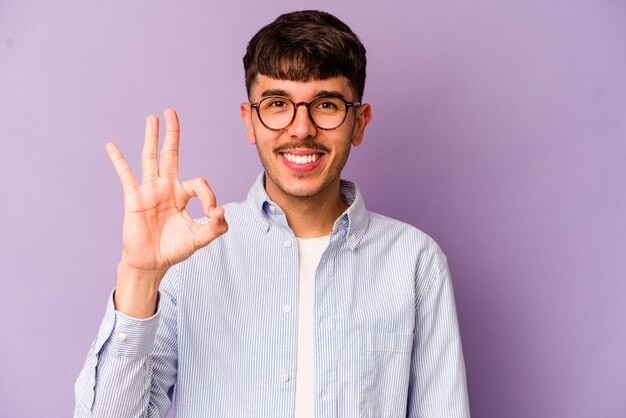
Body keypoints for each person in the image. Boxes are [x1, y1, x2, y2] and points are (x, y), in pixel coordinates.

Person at [74, 10, 470, 418]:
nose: (301, 129)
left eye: (327, 104)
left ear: (359, 122)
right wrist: (139, 276)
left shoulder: (416, 262)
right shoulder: (189, 256)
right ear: (250, 121)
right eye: (278, 103)